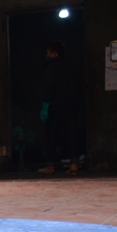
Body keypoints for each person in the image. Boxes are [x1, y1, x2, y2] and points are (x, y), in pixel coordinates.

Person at [38, 41, 82, 175]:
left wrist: (45, 105)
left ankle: (51, 165)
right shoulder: (72, 67)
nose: (47, 55)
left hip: (55, 108)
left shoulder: (51, 68)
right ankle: (74, 164)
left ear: (55, 54)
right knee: (72, 135)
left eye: (49, 53)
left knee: (52, 137)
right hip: (71, 107)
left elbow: (49, 88)